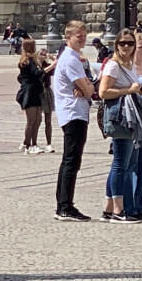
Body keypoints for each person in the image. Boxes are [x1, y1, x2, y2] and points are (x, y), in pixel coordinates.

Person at [99, 30, 142, 222]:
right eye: (122, 43)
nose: (126, 47)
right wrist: (129, 90)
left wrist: (139, 90)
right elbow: (103, 92)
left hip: (128, 116)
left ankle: (108, 207)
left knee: (121, 164)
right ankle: (118, 211)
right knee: (121, 164)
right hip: (120, 117)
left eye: (130, 43)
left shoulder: (129, 65)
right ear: (116, 45)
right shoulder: (113, 65)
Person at [52, 20, 97, 221]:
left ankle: (64, 204)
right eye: (78, 35)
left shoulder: (72, 58)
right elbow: (88, 89)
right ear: (68, 37)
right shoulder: (70, 59)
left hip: (74, 112)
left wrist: (87, 87)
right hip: (73, 113)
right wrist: (87, 87)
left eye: (84, 35)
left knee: (70, 160)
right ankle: (64, 206)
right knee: (71, 160)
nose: (82, 38)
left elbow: (87, 87)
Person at [16, 36, 50, 152]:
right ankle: (28, 144)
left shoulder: (32, 60)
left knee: (37, 119)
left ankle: (32, 143)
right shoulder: (28, 60)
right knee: (31, 120)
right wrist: (51, 66)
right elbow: (37, 73)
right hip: (30, 93)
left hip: (35, 91)